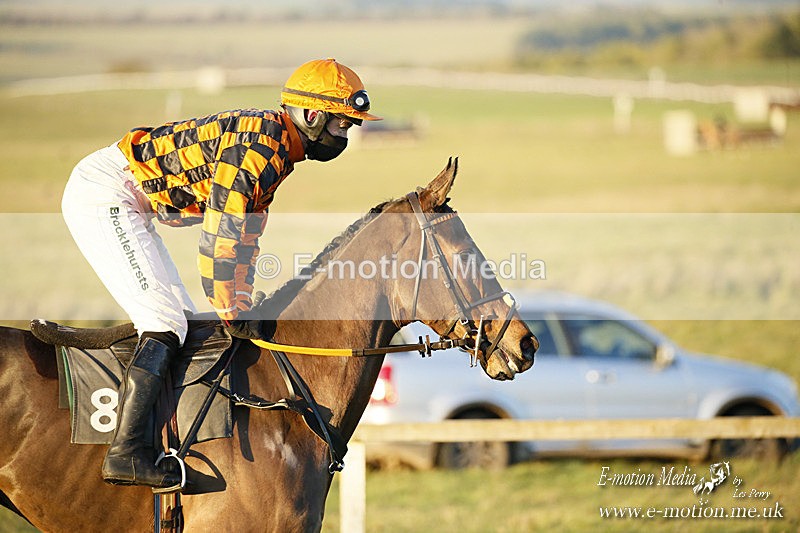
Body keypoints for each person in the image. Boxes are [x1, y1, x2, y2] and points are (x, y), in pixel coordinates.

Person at [61, 58, 381, 490]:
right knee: (164, 323)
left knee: (185, 322)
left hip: (129, 199)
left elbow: (246, 235)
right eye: (342, 124)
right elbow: (219, 241)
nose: (345, 135)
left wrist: (240, 303)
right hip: (106, 194)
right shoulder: (262, 148)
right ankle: (126, 453)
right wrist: (231, 309)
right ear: (312, 116)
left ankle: (160, 439)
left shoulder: (277, 150)